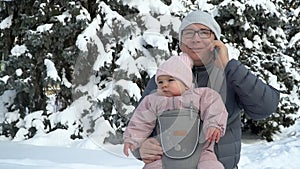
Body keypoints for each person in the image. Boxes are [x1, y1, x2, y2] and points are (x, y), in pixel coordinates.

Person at [131, 10, 280, 169]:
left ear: (216, 41)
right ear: (181, 43)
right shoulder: (164, 79)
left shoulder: (231, 75)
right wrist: (141, 147)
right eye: (189, 33)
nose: (196, 39)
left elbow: (265, 108)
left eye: (204, 32)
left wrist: (229, 66)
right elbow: (138, 124)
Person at [123, 54, 228, 169]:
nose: (164, 85)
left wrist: (214, 125)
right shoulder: (153, 100)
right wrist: (132, 139)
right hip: (163, 154)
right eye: (160, 82)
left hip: (201, 153)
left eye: (170, 80)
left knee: (211, 165)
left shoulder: (199, 96)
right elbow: (140, 121)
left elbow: (215, 107)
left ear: (186, 83)